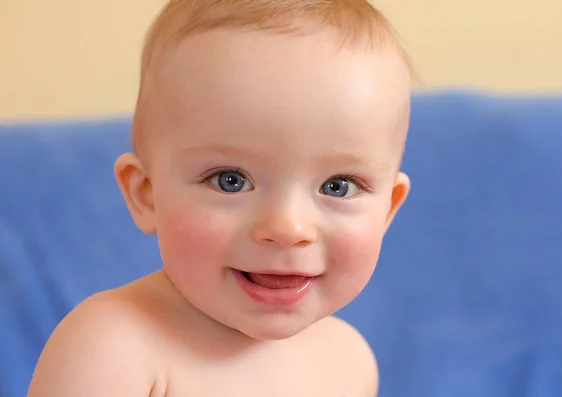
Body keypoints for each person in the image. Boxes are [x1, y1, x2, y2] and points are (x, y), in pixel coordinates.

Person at [28, 0, 412, 395]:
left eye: (338, 186)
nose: (287, 228)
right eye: (230, 180)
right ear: (146, 194)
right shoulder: (113, 347)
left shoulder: (347, 360)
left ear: (388, 208)